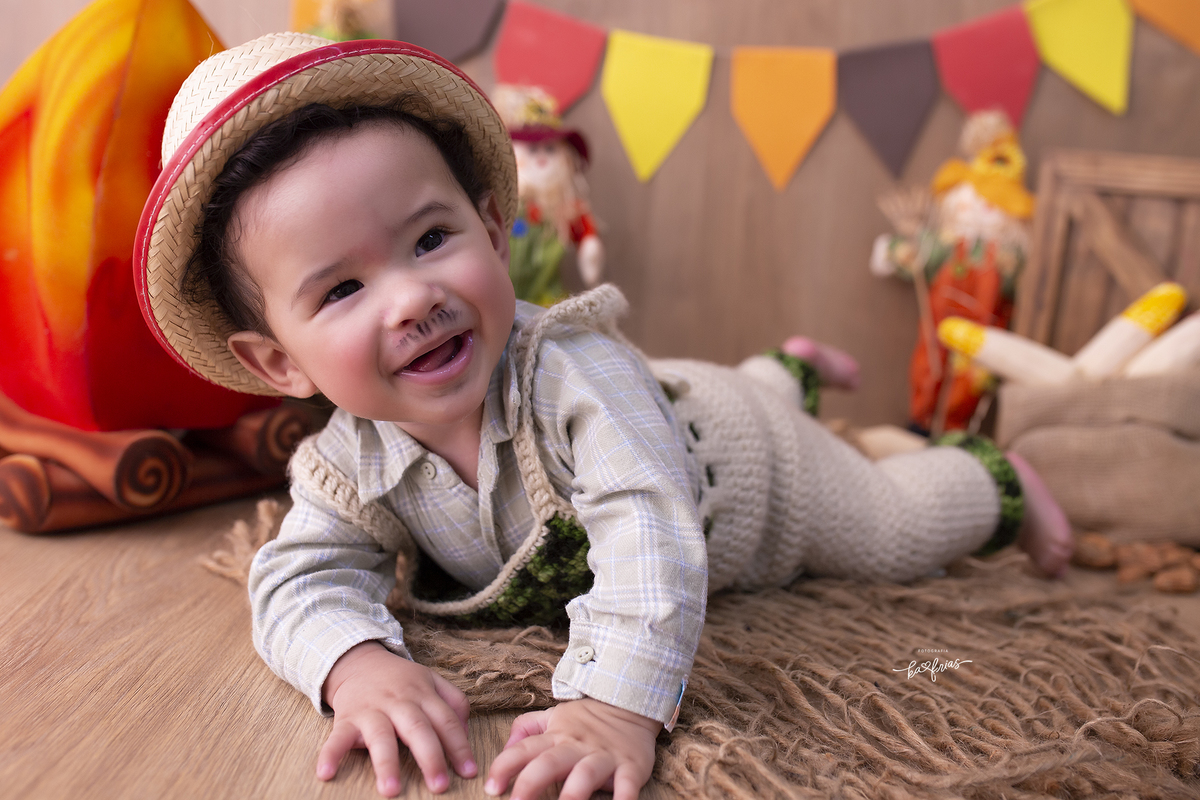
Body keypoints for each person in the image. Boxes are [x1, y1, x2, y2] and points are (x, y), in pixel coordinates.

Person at [135, 33, 1073, 800]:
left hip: (757, 475)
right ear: (279, 362)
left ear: (493, 232)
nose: (412, 297)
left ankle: (993, 478)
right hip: (675, 400)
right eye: (342, 289)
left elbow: (648, 522)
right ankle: (785, 368)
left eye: (431, 238)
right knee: (705, 388)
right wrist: (353, 665)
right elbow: (294, 578)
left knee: (890, 525)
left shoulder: (572, 369)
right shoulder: (350, 461)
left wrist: (616, 703)